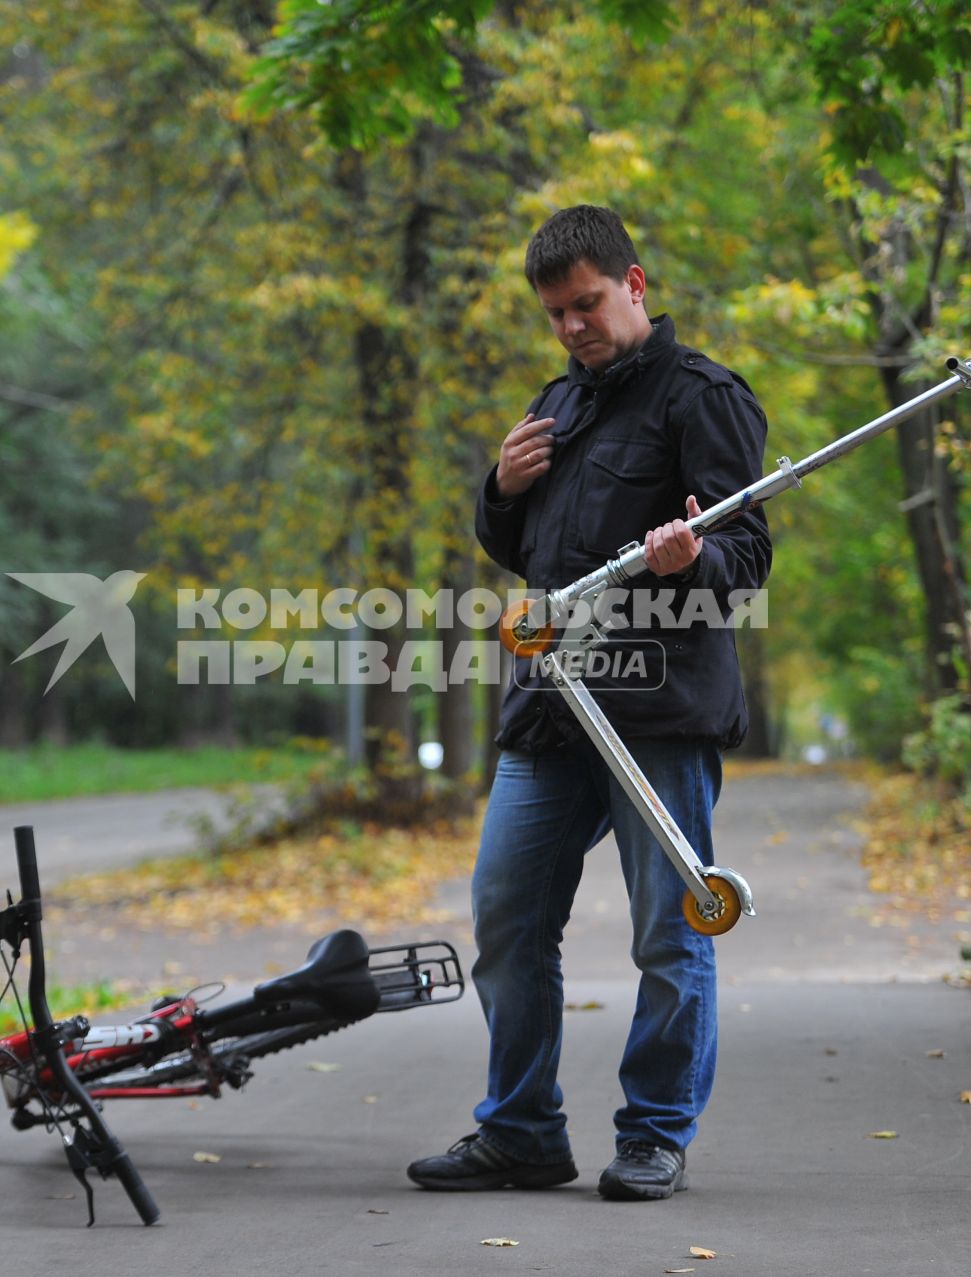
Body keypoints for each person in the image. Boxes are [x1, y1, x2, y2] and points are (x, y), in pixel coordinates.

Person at [407, 205, 772, 1201]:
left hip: (656, 714)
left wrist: (696, 554)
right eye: (556, 313)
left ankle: (654, 1133)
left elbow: (748, 561)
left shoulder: (704, 398)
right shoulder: (555, 405)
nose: (572, 327)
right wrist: (499, 486)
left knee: (670, 930)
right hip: (549, 710)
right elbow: (528, 551)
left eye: (587, 303)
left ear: (635, 284)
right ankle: (521, 1129)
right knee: (507, 919)